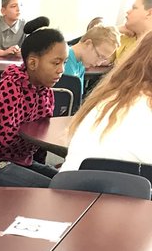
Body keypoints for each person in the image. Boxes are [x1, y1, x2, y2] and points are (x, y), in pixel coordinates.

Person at [0, 26, 65, 187]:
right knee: (53, 191)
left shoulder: (46, 92)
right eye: (56, 63)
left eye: (64, 62)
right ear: (33, 63)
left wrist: (40, 167)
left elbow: (40, 139)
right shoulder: (8, 90)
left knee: (67, 185)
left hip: (23, 161)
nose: (61, 70)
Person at [63, 30, 152, 171]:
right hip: (112, 189)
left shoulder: (110, 96)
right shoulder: (143, 108)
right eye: (100, 56)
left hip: (68, 184)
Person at [115, 0, 151, 65]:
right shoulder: (125, 38)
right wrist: (114, 30)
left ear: (149, 13)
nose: (128, 11)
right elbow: (99, 58)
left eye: (134, 8)